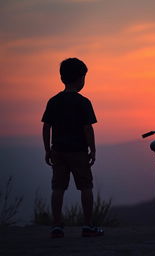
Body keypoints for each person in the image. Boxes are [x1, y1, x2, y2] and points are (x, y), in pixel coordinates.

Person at [41, 58, 103, 238]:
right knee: (86, 187)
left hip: (58, 151)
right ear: (80, 78)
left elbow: (46, 127)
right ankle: (88, 225)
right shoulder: (83, 102)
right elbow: (87, 128)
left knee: (58, 188)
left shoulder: (53, 101)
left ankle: (56, 225)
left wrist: (47, 150)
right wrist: (93, 149)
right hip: (79, 152)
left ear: (62, 78)